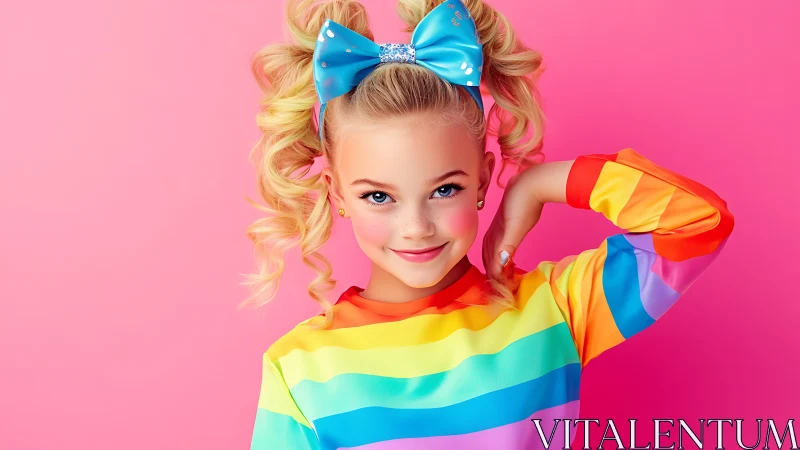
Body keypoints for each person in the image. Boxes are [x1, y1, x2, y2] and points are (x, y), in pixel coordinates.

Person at [243, 0, 735, 448]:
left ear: (482, 178)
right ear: (336, 194)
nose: (416, 227)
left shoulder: (551, 311)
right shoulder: (299, 370)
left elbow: (697, 222)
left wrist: (538, 184)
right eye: (378, 196)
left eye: (445, 190)